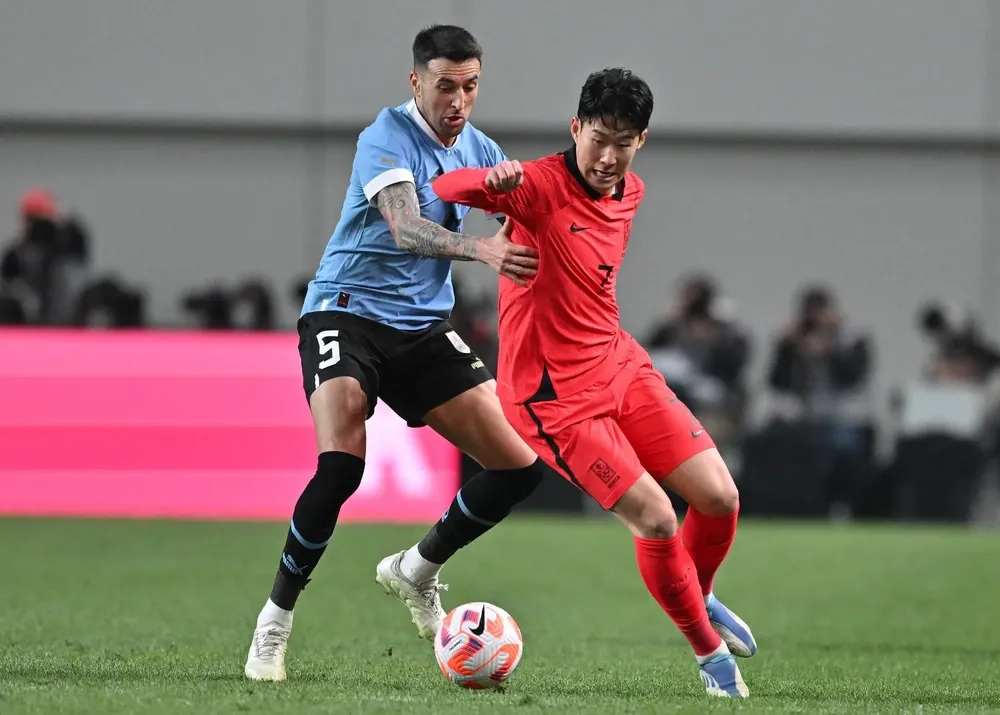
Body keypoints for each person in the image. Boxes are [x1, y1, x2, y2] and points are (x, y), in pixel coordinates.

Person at [431, 68, 756, 698]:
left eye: (623, 144)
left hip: (618, 364)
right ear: (575, 127)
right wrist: (491, 182)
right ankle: (711, 657)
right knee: (656, 519)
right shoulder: (534, 187)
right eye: (598, 140)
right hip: (552, 397)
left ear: (642, 141)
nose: (608, 158)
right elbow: (445, 185)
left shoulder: (631, 191)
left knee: (720, 497)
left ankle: (700, 594)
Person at [244, 25, 550, 681]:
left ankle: (417, 567)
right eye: (445, 85)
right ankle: (275, 620)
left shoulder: (481, 149)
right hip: (345, 310)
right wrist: (483, 249)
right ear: (416, 82)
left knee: (521, 467)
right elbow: (406, 227)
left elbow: (523, 220)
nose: (458, 100)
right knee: (341, 466)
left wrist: (520, 204)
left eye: (470, 86)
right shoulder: (385, 136)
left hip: (420, 328)